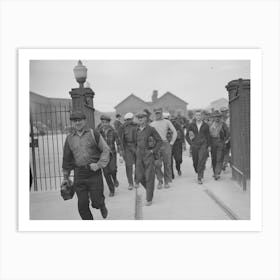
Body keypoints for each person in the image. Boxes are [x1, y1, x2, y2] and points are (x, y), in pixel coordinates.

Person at [62, 110, 110, 220]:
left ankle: (101, 205)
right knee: (82, 205)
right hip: (79, 174)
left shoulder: (94, 134)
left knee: (96, 202)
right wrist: (66, 176)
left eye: (79, 120)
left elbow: (106, 150)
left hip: (94, 173)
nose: (77, 123)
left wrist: (98, 165)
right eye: (74, 121)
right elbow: (66, 158)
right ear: (72, 123)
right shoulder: (69, 138)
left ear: (85, 121)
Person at [134, 111, 162, 206]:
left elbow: (159, 141)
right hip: (138, 155)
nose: (140, 119)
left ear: (146, 119)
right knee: (140, 176)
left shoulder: (151, 129)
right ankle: (149, 190)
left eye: (142, 117)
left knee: (149, 176)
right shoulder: (136, 129)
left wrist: (152, 151)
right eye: (139, 117)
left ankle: (149, 198)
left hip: (148, 155)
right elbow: (134, 142)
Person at [150, 108, 177, 189]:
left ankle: (166, 182)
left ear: (161, 114)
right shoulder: (152, 124)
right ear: (154, 114)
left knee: (167, 164)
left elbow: (174, 132)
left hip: (165, 144)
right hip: (156, 145)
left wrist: (171, 142)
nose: (157, 115)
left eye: (159, 113)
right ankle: (160, 180)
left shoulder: (167, 122)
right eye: (156, 113)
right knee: (156, 164)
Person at [98, 114, 124, 196]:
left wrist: (120, 154)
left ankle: (115, 179)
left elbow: (118, 143)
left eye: (106, 122)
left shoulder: (113, 131)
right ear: (101, 122)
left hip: (112, 153)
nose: (104, 124)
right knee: (106, 173)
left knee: (112, 169)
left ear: (109, 123)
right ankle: (111, 189)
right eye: (103, 122)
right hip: (103, 155)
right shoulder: (98, 131)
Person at [186, 110, 210, 184]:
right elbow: (187, 136)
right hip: (195, 145)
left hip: (203, 145)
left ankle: (200, 177)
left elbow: (208, 136)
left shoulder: (205, 125)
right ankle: (198, 170)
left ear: (202, 116)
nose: (198, 117)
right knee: (195, 161)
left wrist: (208, 146)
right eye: (197, 115)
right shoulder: (191, 125)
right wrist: (191, 144)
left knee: (201, 160)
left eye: (199, 115)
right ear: (195, 116)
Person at [209, 111, 229, 180]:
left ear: (220, 117)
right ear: (213, 117)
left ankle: (217, 173)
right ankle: (215, 172)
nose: (217, 118)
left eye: (218, 117)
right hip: (212, 142)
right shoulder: (210, 124)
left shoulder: (223, 124)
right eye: (215, 117)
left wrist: (224, 141)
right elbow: (208, 134)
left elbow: (227, 133)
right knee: (214, 158)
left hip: (220, 142)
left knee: (219, 158)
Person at [119, 112, 138, 190]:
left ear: (132, 119)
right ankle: (130, 183)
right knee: (128, 165)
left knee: (138, 165)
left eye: (130, 119)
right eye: (127, 120)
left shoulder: (137, 126)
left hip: (136, 146)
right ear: (125, 120)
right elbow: (119, 139)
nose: (128, 121)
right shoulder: (122, 127)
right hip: (127, 147)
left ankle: (137, 181)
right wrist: (120, 150)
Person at [169, 114, 185, 178]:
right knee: (169, 160)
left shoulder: (178, 125)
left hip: (177, 143)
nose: (173, 121)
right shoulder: (167, 125)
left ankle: (178, 169)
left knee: (178, 159)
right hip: (169, 144)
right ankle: (171, 174)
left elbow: (182, 134)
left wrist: (183, 143)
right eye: (171, 120)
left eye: (174, 120)